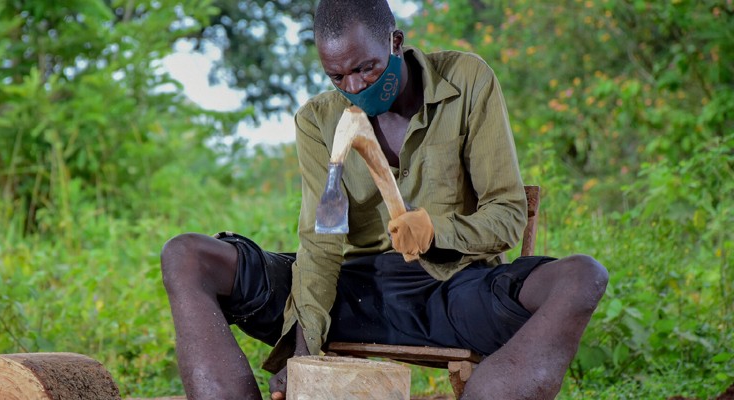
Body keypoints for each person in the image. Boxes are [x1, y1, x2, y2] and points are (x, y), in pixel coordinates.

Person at [160, 0, 609, 398]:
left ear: (396, 42)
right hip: (352, 296)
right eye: (337, 75)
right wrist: (304, 355)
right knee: (185, 255)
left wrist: (436, 230)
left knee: (582, 276)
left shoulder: (467, 79)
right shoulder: (318, 119)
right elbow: (321, 241)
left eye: (366, 68)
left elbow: (509, 216)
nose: (353, 86)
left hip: (453, 291)